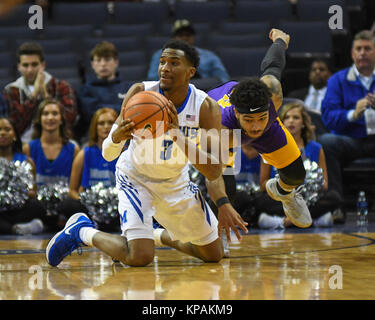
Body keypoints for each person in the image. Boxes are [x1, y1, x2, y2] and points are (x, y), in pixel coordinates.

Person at [46, 39, 248, 268]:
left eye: (173, 63)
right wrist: (116, 138)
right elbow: (107, 155)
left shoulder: (206, 107)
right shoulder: (140, 93)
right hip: (136, 178)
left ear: (190, 71)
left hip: (176, 182)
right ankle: (82, 231)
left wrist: (176, 134)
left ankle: (153, 235)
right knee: (140, 258)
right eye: (162, 62)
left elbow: (213, 170)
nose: (164, 68)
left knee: (213, 254)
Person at [206, 29, 313, 235]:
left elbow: (272, 65)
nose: (255, 127)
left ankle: (283, 192)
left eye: (260, 118)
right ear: (237, 113)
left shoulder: (272, 93)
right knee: (226, 187)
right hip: (228, 134)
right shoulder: (219, 125)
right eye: (249, 120)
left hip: (269, 130)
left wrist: (280, 41)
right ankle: (218, 232)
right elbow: (213, 178)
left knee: (296, 175)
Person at [256, 102, 341, 229]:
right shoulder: (270, 147)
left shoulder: (316, 148)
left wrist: (308, 186)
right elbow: (263, 184)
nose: (291, 121)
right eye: (287, 117)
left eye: (296, 117)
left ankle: (282, 222)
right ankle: (313, 220)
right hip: (282, 199)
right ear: (282, 123)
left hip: (309, 198)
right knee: (259, 201)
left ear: (303, 123)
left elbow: (325, 184)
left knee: (334, 197)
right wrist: (282, 185)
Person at [318, 30, 375, 200]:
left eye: (367, 48)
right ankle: (335, 203)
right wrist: (353, 114)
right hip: (350, 140)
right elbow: (328, 118)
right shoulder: (338, 80)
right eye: (358, 49)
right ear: (352, 53)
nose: (362, 53)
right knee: (326, 141)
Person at [3, 42, 77, 143]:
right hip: (22, 144)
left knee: (73, 144)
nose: (30, 70)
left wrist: (46, 96)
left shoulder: (61, 86)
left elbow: (69, 119)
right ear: (19, 66)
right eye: (25, 65)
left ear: (43, 65)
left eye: (34, 64)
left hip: (58, 143)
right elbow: (16, 126)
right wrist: (34, 96)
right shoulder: (11, 90)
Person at [60, 107, 119, 231]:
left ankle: (95, 226)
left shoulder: (125, 153)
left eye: (110, 123)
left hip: (117, 206)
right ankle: (99, 224)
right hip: (90, 206)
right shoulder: (84, 154)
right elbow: (72, 190)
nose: (106, 127)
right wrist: (87, 202)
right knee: (67, 205)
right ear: (95, 128)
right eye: (101, 123)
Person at [76, 41, 133, 142]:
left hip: (125, 140)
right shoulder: (85, 90)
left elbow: (132, 113)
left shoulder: (128, 88)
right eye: (98, 60)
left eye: (107, 59)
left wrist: (102, 107)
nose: (103, 64)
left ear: (116, 62)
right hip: (95, 140)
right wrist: (121, 109)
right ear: (93, 64)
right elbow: (92, 115)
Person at [0, 117, 46, 235]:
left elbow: (33, 192)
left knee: (37, 206)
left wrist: (21, 193)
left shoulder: (26, 161)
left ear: (15, 135)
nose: (2, 133)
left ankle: (10, 227)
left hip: (18, 208)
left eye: (7, 129)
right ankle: (17, 229)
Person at [147, 19, 230, 83]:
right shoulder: (160, 55)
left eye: (188, 35)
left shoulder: (209, 55)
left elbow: (223, 78)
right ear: (174, 38)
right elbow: (152, 80)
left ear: (193, 37)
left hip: (204, 90)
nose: (185, 38)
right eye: (180, 35)